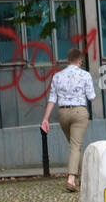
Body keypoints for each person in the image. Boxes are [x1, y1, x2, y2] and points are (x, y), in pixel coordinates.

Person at [41, 47, 97, 191]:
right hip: (79, 112)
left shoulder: (57, 76)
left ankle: (85, 178)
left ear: (68, 61)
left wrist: (45, 119)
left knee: (74, 146)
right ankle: (71, 179)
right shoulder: (85, 75)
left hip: (63, 114)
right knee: (75, 146)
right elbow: (91, 97)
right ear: (80, 61)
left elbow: (52, 99)